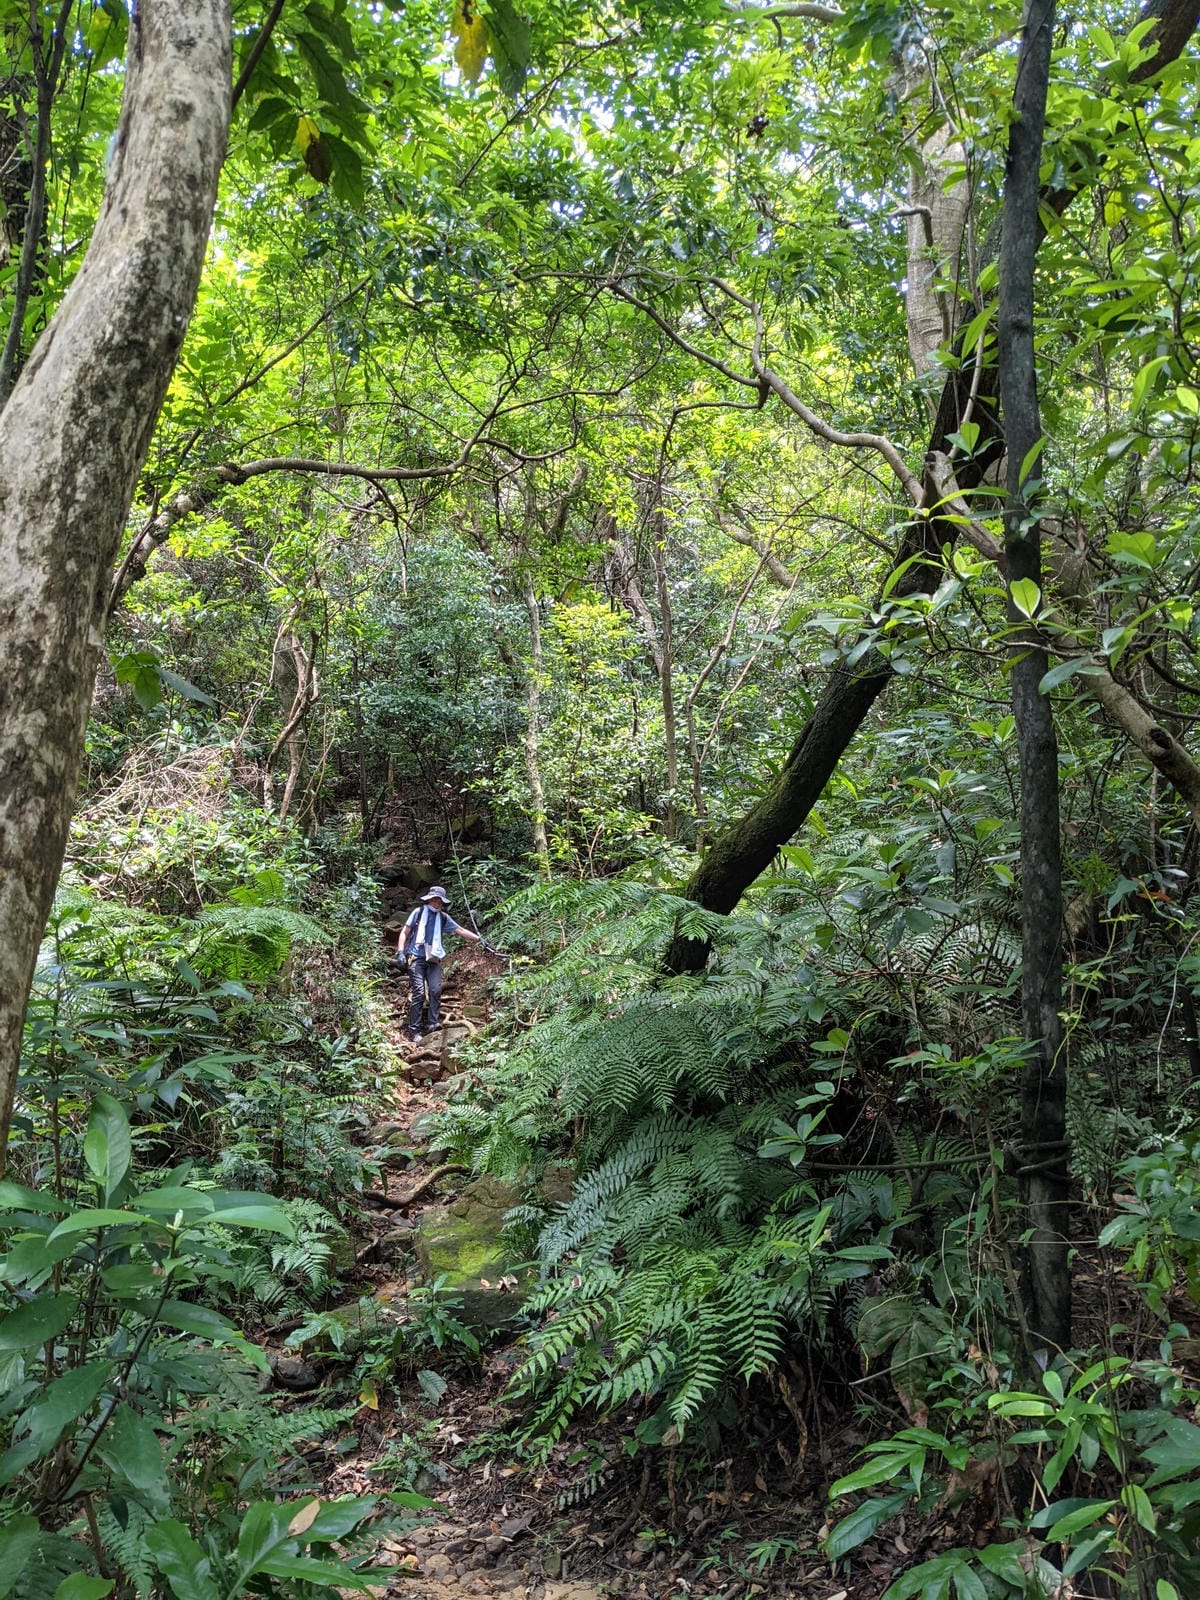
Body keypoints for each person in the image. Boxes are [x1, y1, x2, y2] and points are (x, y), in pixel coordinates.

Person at [396, 886, 482, 1042]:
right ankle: (413, 1029)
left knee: (435, 990)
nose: (436, 903)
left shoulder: (443, 917)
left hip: (433, 959)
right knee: (419, 993)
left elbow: (460, 930)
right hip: (415, 957)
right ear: (429, 899)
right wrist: (400, 952)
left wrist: (478, 939)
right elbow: (404, 932)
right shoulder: (419, 913)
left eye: (439, 901)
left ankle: (432, 1023)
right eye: (434, 900)